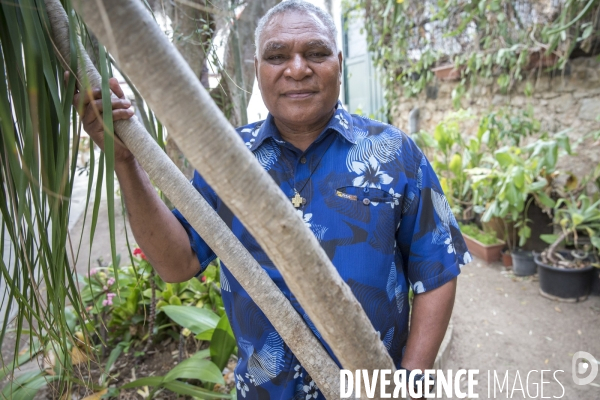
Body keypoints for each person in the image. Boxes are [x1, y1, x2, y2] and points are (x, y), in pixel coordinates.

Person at [76, 1, 471, 398]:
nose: (297, 69)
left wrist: (412, 379)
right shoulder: (225, 158)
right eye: (277, 55)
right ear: (257, 69)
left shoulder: (394, 152)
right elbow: (178, 263)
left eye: (315, 53)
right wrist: (126, 162)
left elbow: (436, 269)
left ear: (338, 62)